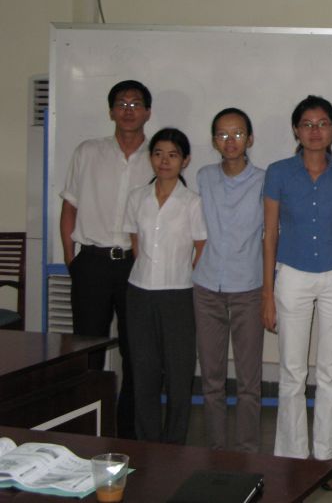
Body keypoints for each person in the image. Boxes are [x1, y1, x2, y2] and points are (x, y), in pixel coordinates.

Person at [262, 95, 332, 490]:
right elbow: (270, 235)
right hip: (293, 274)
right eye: (307, 124)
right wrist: (267, 292)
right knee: (292, 372)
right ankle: (294, 459)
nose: (315, 131)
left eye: (323, 123)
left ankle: (325, 460)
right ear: (296, 131)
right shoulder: (278, 172)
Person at [59, 79, 153, 439]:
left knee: (136, 352)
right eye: (122, 103)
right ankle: (84, 426)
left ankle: (127, 430)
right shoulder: (88, 151)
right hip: (92, 263)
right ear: (111, 110)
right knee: (87, 349)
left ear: (147, 111)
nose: (129, 109)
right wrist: (72, 260)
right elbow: (69, 207)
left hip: (135, 266)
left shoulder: (158, 157)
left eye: (136, 103)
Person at [124, 127, 206, 444]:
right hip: (140, 292)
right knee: (143, 372)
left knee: (178, 373)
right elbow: (135, 242)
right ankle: (146, 443)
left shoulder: (192, 202)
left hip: (179, 295)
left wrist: (177, 274)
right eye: (158, 153)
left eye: (172, 155)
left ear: (185, 160)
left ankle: (173, 445)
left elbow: (201, 248)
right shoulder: (137, 198)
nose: (164, 161)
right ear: (150, 158)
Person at [192, 108, 266, 452]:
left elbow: (271, 235)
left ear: (249, 139)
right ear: (213, 141)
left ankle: (248, 449)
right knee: (211, 379)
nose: (230, 141)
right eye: (223, 134)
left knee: (249, 381)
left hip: (248, 288)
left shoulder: (265, 181)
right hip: (206, 287)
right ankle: (216, 450)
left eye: (238, 133)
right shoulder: (203, 176)